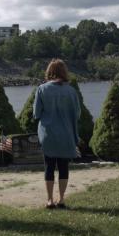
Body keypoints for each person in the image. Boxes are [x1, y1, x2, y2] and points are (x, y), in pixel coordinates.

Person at [33, 59, 81, 209]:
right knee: (63, 167)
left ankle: (49, 200)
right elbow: (77, 114)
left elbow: (36, 113)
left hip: (48, 134)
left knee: (49, 167)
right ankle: (61, 199)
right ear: (64, 72)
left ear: (49, 72)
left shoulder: (41, 89)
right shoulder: (71, 91)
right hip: (66, 134)